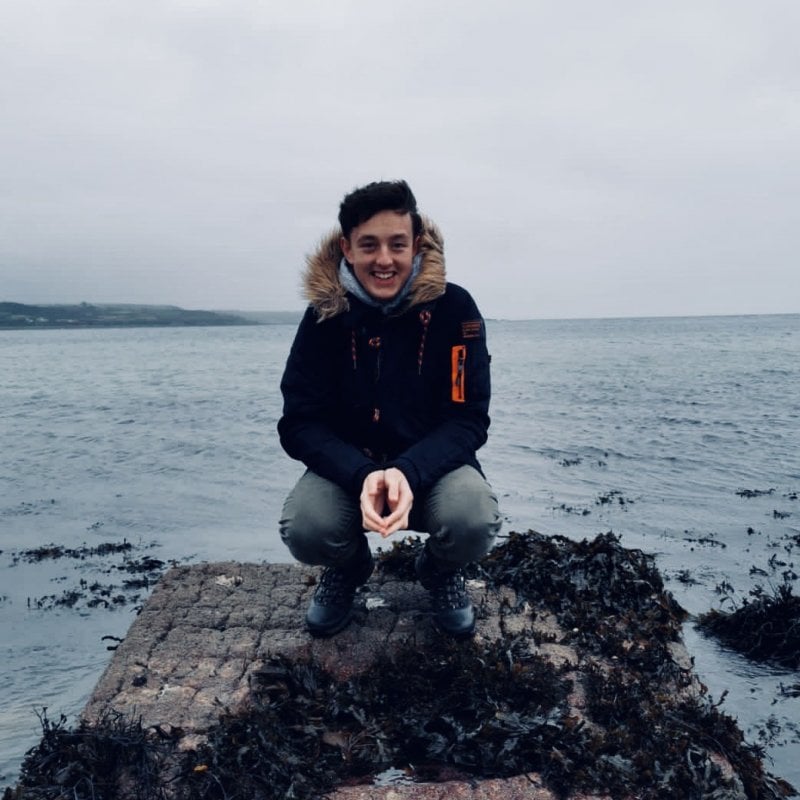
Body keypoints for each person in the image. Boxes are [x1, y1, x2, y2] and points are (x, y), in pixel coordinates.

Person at [278, 179, 501, 638]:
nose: (384, 260)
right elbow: (300, 422)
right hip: (347, 472)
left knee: (473, 521)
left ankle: (438, 570)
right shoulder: (323, 317)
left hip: (433, 469)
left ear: (415, 244)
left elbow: (468, 418)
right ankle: (349, 566)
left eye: (397, 244)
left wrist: (406, 471)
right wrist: (361, 474)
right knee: (305, 527)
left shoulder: (455, 309)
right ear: (347, 248)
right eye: (369, 245)